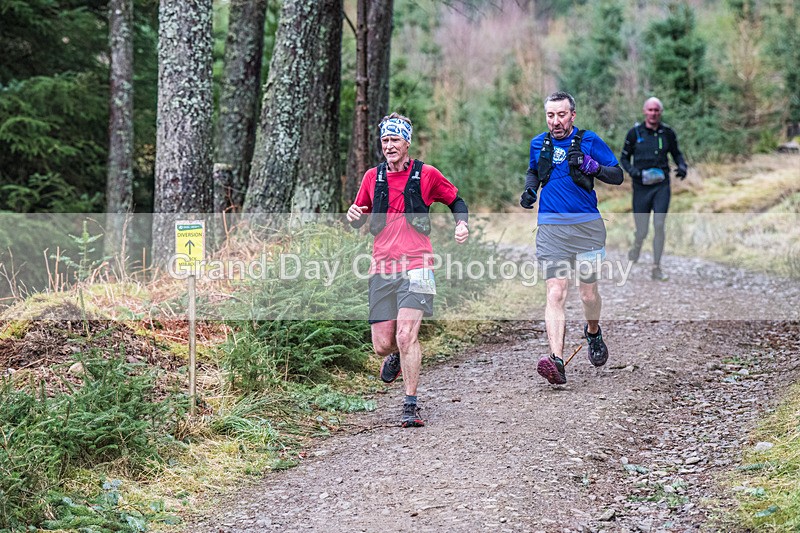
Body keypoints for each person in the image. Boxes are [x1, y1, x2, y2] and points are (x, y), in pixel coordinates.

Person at [347, 112, 470, 427]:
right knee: (382, 345)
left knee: (406, 336)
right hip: (381, 267)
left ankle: (410, 405)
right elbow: (360, 216)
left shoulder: (426, 175)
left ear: (407, 143)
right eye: (385, 140)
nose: (389, 146)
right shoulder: (372, 178)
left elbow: (457, 201)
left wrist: (461, 224)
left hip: (419, 265)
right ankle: (395, 357)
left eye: (395, 140)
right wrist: (353, 216)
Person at [519, 92, 623, 385]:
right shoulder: (539, 144)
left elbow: (617, 175)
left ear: (572, 115)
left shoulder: (589, 140)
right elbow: (533, 171)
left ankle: (593, 332)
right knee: (556, 292)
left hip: (587, 228)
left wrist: (593, 167)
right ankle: (557, 360)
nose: (555, 121)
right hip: (551, 228)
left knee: (588, 295)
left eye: (561, 115)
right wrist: (530, 190)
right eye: (550, 115)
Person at [620, 97, 688, 281]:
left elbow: (677, 154)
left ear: (661, 112)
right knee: (642, 230)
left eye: (656, 110)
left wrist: (682, 166)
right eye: (650, 110)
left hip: (661, 186)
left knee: (659, 224)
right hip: (641, 187)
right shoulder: (634, 133)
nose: (653, 113)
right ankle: (637, 245)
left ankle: (656, 267)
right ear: (644, 111)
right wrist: (634, 173)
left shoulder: (668, 133)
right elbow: (624, 159)